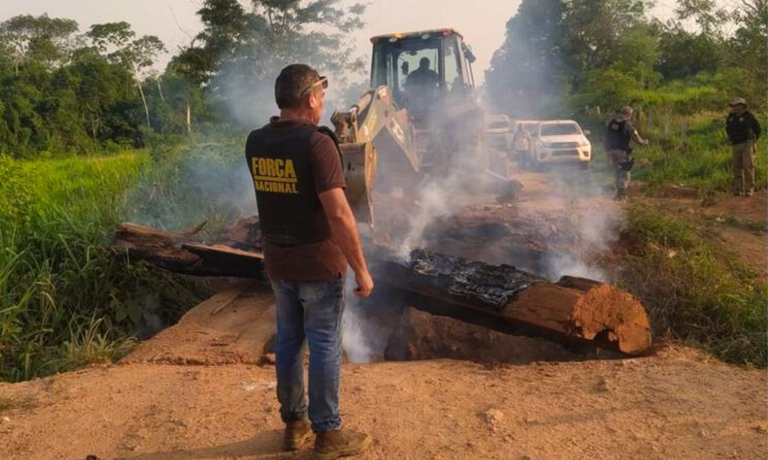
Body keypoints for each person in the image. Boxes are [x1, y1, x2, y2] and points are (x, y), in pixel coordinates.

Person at [245, 64, 374, 460]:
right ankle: (328, 433)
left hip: (278, 262)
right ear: (310, 98)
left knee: (288, 340)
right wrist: (361, 268)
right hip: (318, 264)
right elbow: (339, 213)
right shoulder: (318, 144)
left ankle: (294, 424)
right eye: (321, 94)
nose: (323, 101)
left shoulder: (256, 141)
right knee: (323, 344)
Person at [604, 106, 649, 200]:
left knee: (618, 171)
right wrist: (644, 143)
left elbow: (607, 137)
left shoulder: (612, 123)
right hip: (622, 152)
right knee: (624, 173)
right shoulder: (627, 125)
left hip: (613, 151)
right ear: (629, 114)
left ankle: (618, 194)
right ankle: (621, 195)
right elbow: (636, 137)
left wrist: (608, 151)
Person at [726, 97, 762, 197]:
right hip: (735, 144)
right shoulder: (731, 118)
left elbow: (758, 129)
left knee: (748, 167)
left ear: (742, 106)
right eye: (733, 106)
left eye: (737, 105)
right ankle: (738, 189)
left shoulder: (749, 117)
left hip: (747, 143)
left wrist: (753, 141)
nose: (735, 108)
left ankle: (749, 188)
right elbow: (728, 129)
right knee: (736, 167)